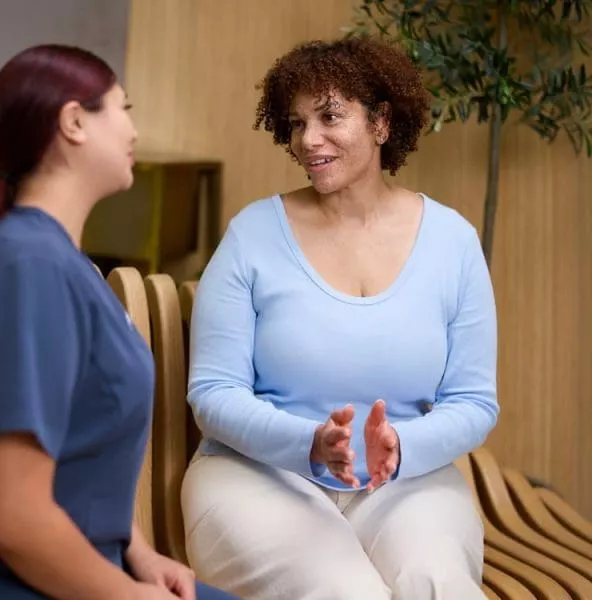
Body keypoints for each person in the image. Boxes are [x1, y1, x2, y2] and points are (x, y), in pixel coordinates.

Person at [0, 44, 236, 600]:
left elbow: (79, 456)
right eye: (124, 107)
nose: (133, 131)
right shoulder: (29, 270)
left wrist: (135, 550)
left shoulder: (59, 264)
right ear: (74, 122)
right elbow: (14, 520)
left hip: (75, 570)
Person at [181, 35, 498, 600]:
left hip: (405, 480)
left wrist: (400, 446)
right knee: (346, 592)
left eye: (329, 116)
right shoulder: (251, 235)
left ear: (380, 122)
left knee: (438, 585)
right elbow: (212, 393)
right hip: (257, 475)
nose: (310, 140)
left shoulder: (452, 241)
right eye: (298, 123)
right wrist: (309, 442)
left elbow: (474, 402)